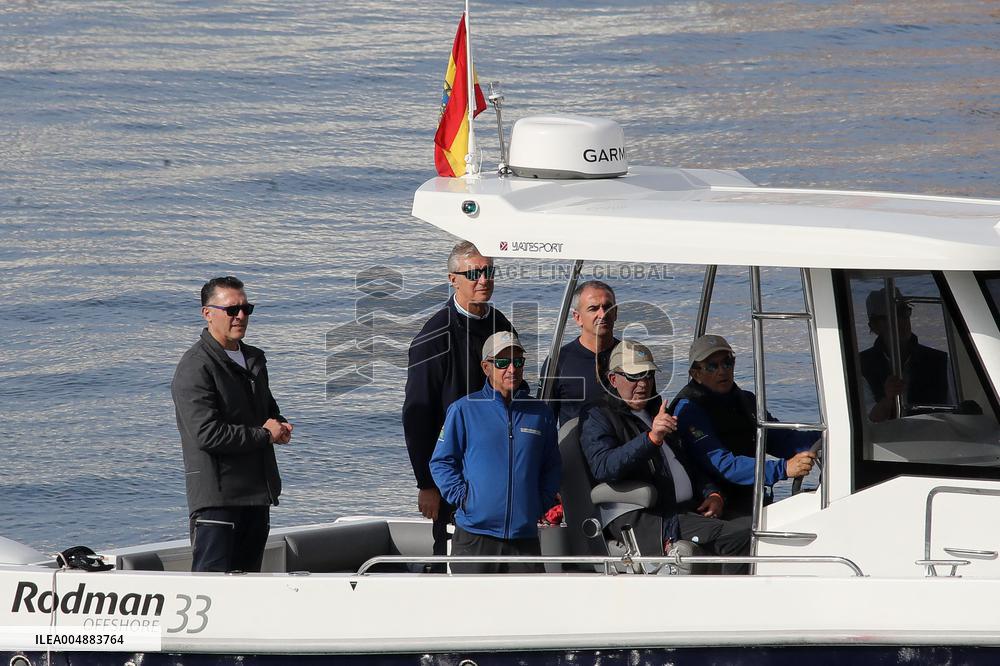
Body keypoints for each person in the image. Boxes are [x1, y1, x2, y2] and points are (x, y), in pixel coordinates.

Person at [580, 340, 751, 573]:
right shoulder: (598, 415)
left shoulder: (657, 410)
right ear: (613, 379)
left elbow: (687, 462)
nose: (643, 384)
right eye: (634, 376)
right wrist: (651, 439)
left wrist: (712, 492)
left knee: (758, 525)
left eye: (648, 375)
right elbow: (604, 466)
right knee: (742, 535)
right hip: (652, 519)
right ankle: (731, 603)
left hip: (688, 509)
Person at [171, 276, 293, 573]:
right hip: (218, 499)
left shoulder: (254, 359)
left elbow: (267, 408)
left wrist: (280, 424)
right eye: (231, 310)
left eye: (246, 308)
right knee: (212, 586)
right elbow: (207, 434)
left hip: (256, 495)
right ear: (207, 313)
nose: (240, 316)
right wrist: (265, 435)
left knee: (248, 585)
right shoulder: (195, 366)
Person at [402, 241, 516, 558]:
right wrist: (425, 483)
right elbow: (416, 416)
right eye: (474, 273)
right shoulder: (433, 337)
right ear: (453, 278)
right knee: (455, 554)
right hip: (454, 472)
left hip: (500, 467)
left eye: (489, 271)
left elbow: (517, 389)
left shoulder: (501, 325)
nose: (484, 280)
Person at [430, 332, 561, 573]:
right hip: (474, 537)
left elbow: (552, 466)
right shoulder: (463, 410)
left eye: (518, 362)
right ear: (486, 367)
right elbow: (441, 462)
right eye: (502, 363)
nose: (512, 369)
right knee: (470, 609)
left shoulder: (541, 413)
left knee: (529, 610)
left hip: (524, 539)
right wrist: (464, 498)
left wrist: (539, 503)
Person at [669, 334, 817, 518]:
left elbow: (780, 439)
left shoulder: (746, 400)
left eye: (727, 363)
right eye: (712, 366)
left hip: (750, 498)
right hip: (715, 505)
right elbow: (723, 464)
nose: (722, 370)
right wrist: (783, 469)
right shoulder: (688, 411)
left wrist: (824, 438)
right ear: (695, 374)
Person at [859, 287, 951, 422]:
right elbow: (869, 420)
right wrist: (889, 398)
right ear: (873, 326)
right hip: (885, 441)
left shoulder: (941, 361)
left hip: (934, 437)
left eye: (903, 312)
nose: (900, 321)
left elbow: (955, 411)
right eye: (889, 316)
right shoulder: (859, 365)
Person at [544, 280, 620, 426]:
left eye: (607, 307)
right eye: (593, 308)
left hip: (627, 447)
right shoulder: (558, 362)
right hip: (576, 446)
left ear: (615, 312)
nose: (602, 314)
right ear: (577, 317)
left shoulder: (631, 356)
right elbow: (545, 421)